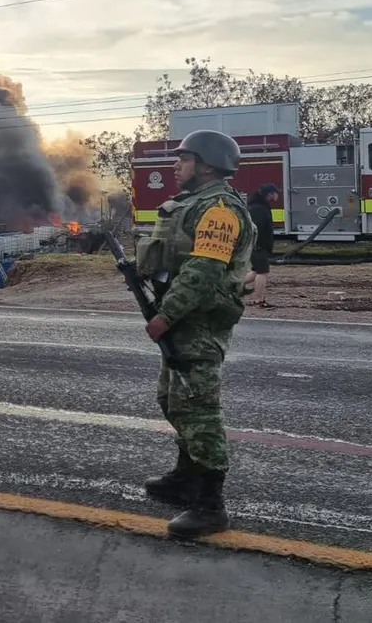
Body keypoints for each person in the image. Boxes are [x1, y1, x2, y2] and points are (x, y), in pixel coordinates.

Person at [134, 129, 256, 539]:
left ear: (205, 165)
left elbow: (204, 271)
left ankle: (210, 504)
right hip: (186, 317)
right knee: (172, 400)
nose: (175, 165)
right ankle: (186, 477)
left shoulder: (219, 209)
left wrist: (164, 316)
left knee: (198, 409)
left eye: (183, 159)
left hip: (198, 321)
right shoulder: (194, 204)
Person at [245, 184, 279, 308]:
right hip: (258, 246)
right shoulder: (259, 209)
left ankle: (228, 285)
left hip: (257, 246)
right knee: (262, 272)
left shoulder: (258, 207)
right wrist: (258, 245)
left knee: (255, 272)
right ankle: (259, 300)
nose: (277, 196)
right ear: (269, 194)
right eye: (276, 193)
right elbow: (257, 229)